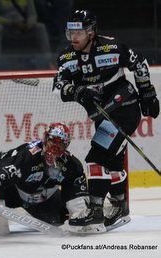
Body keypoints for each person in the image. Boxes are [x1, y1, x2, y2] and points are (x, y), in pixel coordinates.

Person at [53, 10, 160, 230]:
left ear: (91, 32)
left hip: (124, 111)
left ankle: (96, 211)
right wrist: (76, 91)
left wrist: (148, 94)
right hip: (103, 117)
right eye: (70, 32)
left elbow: (139, 64)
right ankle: (120, 206)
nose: (73, 38)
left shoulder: (112, 47)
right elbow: (59, 87)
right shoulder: (67, 57)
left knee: (96, 158)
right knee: (111, 163)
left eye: (79, 32)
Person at [0, 123, 98, 231]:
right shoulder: (28, 155)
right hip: (12, 191)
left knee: (61, 219)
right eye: (52, 142)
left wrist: (79, 212)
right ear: (45, 140)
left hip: (41, 200)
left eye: (59, 146)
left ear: (66, 147)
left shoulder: (71, 165)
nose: (53, 149)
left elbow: (75, 189)